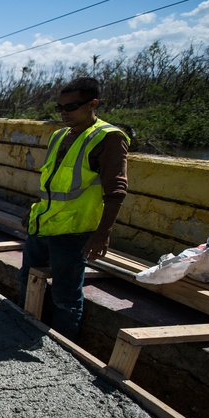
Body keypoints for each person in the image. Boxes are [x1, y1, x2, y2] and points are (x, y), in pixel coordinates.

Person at [17, 77, 129, 340]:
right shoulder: (59, 136)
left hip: (74, 231)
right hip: (43, 223)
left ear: (93, 104)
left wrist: (102, 233)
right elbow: (52, 183)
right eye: (60, 108)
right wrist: (35, 209)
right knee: (26, 279)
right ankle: (23, 326)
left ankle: (63, 343)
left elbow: (116, 191)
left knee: (65, 294)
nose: (64, 113)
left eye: (71, 107)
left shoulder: (108, 138)